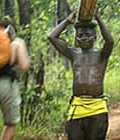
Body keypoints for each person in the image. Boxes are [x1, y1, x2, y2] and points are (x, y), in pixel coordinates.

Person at [48, 12, 114, 140]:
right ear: (76, 38)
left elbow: (110, 41)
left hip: (97, 107)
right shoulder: (73, 54)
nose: (84, 38)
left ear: (95, 37)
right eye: (80, 35)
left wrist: (98, 18)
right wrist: (67, 21)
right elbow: (52, 37)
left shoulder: (101, 55)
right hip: (77, 106)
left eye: (88, 35)